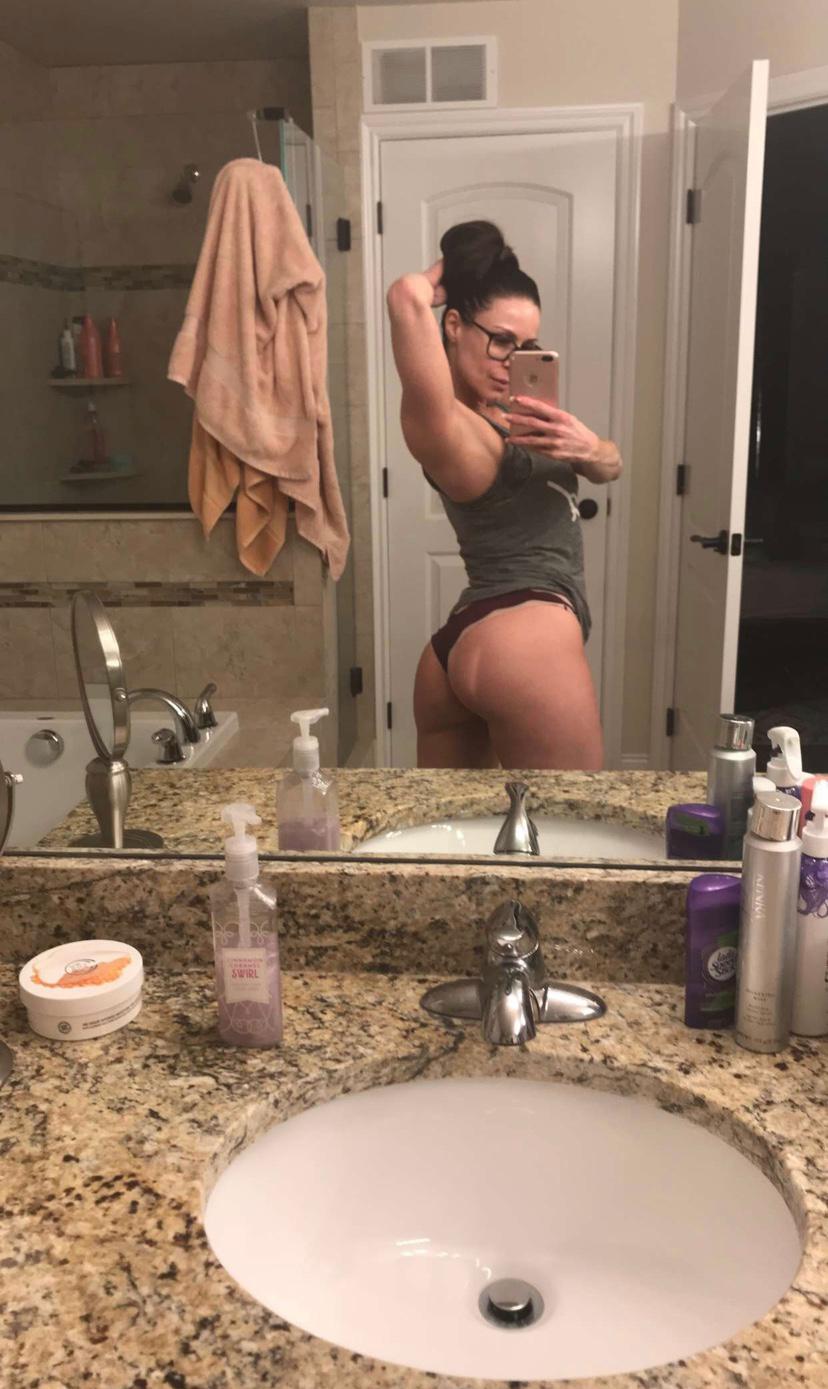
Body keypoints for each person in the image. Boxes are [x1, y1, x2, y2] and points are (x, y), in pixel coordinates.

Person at [386, 220, 622, 770]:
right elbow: (404, 298)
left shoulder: (515, 416)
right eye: (501, 341)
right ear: (452, 325)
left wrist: (589, 448)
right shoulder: (450, 428)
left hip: (465, 642)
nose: (512, 361)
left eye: (526, 346)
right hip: (524, 642)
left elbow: (612, 468)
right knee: (569, 820)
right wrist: (432, 280)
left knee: (457, 827)